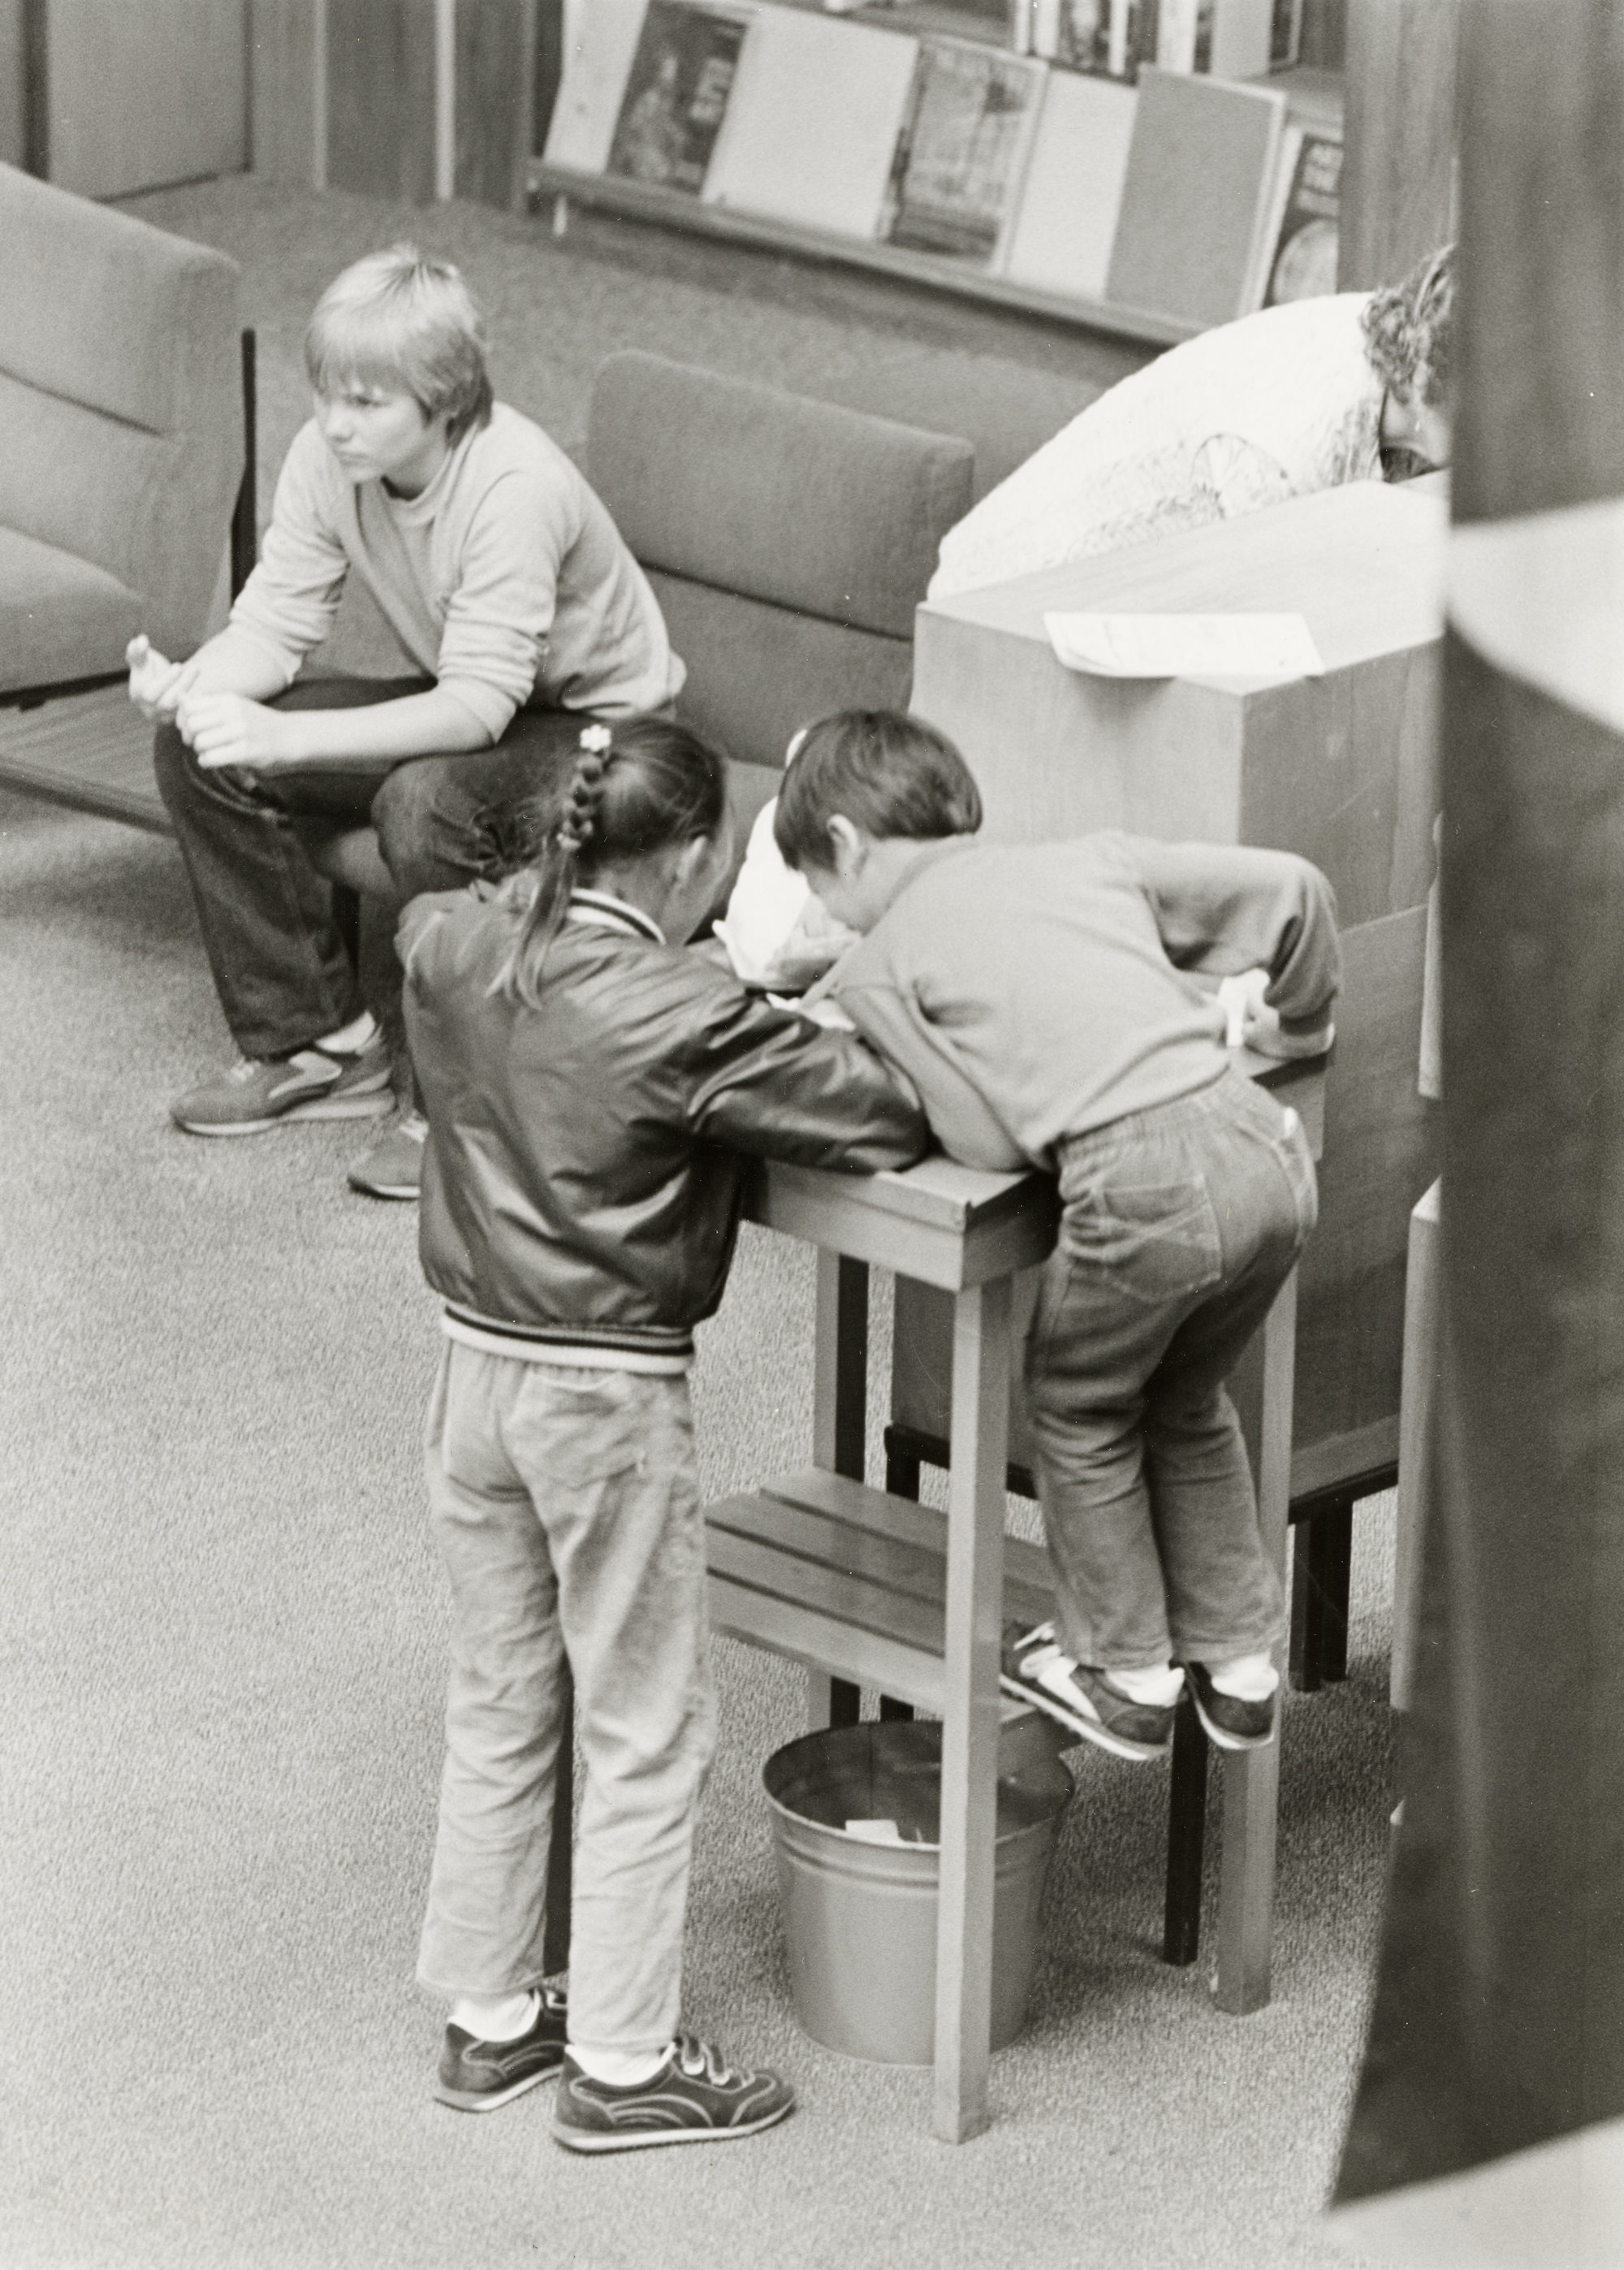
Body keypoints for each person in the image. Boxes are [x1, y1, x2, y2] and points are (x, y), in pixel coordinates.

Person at [400, 717, 926, 2150]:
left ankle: (495, 2020)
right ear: (696, 857)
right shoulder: (682, 1010)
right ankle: (626, 2064)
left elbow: (486, 946)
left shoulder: (452, 939)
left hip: (469, 1377)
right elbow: (880, 1114)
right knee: (643, 1724)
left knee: (505, 1696)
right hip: (602, 1398)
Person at [772, 710, 1339, 1762]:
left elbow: (984, 1137)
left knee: (1077, 1402)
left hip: (1141, 1186)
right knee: (1181, 1393)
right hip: (1269, 1153)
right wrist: (1302, 1024)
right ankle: (1241, 1656)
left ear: (844, 844)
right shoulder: (1094, 860)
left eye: (815, 882)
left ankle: (1123, 1671)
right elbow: (1298, 888)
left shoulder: (873, 965)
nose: (822, 908)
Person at [132, 243, 682, 1200]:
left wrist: (284, 735)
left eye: (368, 403)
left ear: (447, 402)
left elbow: (475, 710)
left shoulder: (514, 486)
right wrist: (199, 685)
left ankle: (463, 1105)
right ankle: (322, 1047)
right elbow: (274, 624)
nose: (337, 426)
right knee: (201, 748)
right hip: (477, 695)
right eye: (328, 395)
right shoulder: (326, 457)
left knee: (423, 804)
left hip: (599, 727)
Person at [929, 243, 1454, 599]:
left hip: (1132, 608)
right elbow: (1273, 638)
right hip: (1009, 609)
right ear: (1422, 376)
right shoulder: (1283, 445)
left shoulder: (1401, 325)